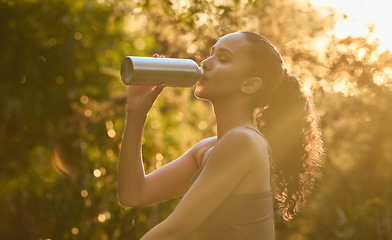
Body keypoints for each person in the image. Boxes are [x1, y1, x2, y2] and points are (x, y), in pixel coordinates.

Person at [118, 31, 324, 239]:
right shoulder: (208, 148)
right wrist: (136, 113)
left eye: (223, 59)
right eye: (211, 54)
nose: (205, 62)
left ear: (250, 84)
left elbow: (174, 231)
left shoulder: (244, 142)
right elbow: (133, 194)